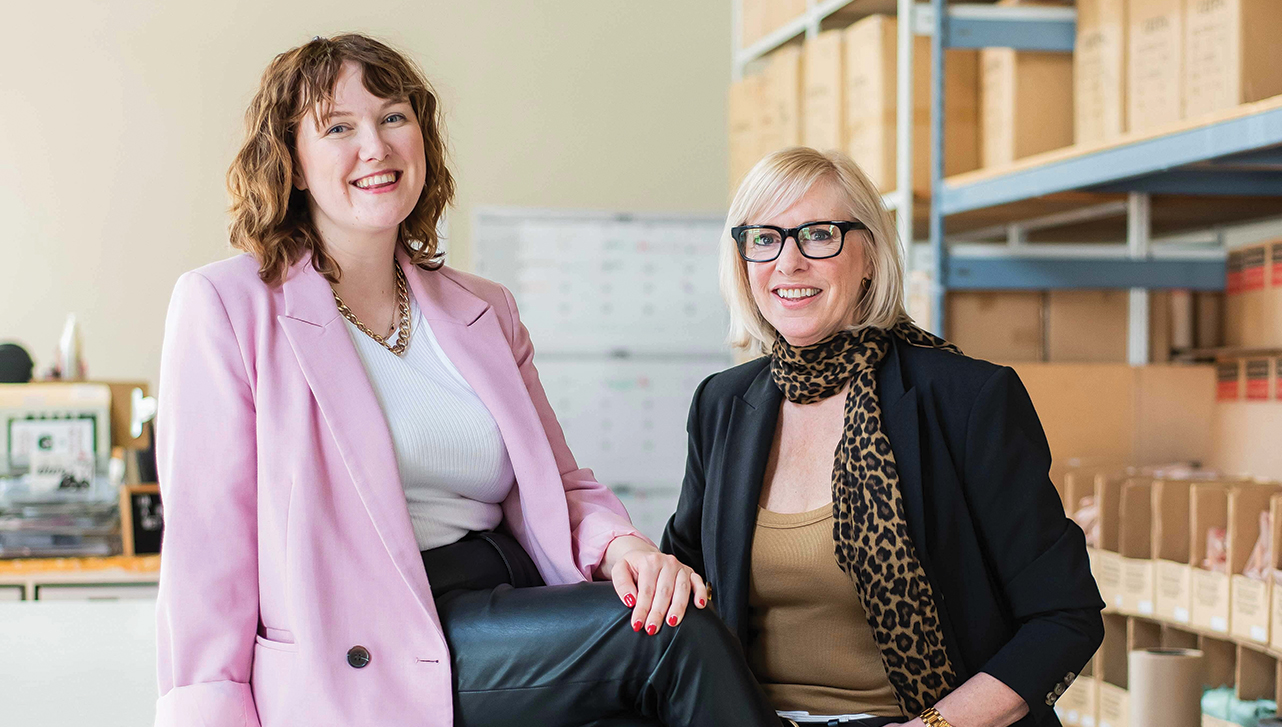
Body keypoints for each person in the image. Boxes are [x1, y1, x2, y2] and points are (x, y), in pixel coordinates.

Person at [155, 33, 783, 727]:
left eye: (394, 116)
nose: (376, 145)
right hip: (371, 638)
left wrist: (625, 545)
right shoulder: (229, 304)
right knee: (669, 636)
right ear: (293, 163)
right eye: (338, 127)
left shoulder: (482, 307)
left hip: (509, 590)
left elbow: (559, 481)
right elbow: (206, 557)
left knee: (655, 654)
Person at [662, 147, 1104, 727]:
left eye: (818, 235)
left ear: (869, 253)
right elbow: (686, 580)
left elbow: (1064, 617)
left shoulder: (967, 400)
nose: (788, 263)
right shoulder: (722, 404)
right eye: (763, 238)